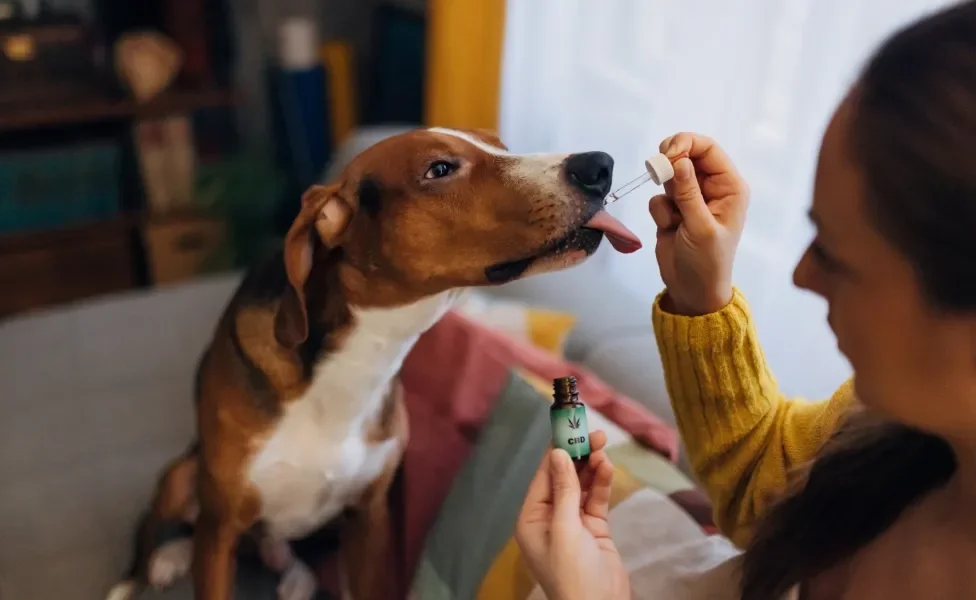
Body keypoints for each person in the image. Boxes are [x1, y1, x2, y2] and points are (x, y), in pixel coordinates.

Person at [514, 2, 976, 599]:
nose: (803, 275)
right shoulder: (887, 425)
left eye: (835, 255)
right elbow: (770, 490)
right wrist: (702, 300)